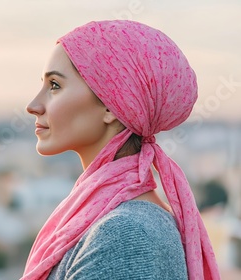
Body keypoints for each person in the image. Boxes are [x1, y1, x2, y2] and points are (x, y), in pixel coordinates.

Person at [22, 20, 220, 280]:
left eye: (55, 86)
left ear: (110, 106)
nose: (33, 105)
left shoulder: (125, 235)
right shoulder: (117, 222)